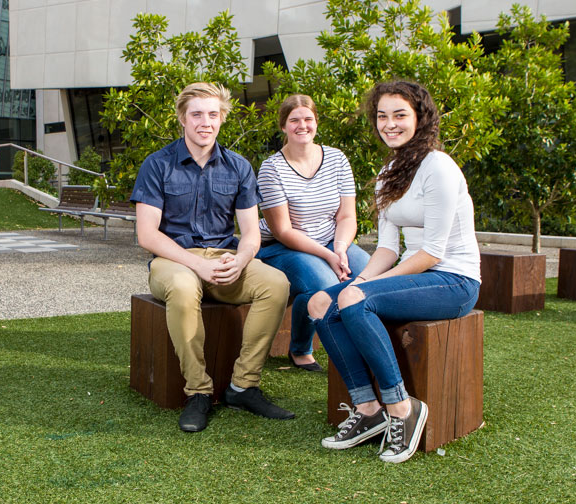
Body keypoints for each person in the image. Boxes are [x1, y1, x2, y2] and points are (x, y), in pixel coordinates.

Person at [307, 80, 481, 463]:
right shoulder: (390, 172)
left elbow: (433, 253)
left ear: (420, 117)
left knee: (354, 298)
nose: (390, 124)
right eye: (382, 116)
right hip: (414, 274)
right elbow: (387, 249)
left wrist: (363, 289)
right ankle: (368, 409)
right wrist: (361, 280)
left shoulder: (439, 168)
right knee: (321, 302)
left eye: (400, 115)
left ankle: (403, 408)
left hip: (454, 280)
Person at [131, 82, 294, 433]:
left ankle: (243, 386)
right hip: (173, 260)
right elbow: (147, 235)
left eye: (213, 114)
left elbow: (251, 233)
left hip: (223, 257)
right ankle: (198, 392)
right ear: (183, 119)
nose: (205, 121)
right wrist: (197, 264)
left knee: (276, 283)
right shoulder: (158, 165)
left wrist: (241, 258)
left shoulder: (238, 167)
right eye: (197, 114)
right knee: (183, 287)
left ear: (222, 119)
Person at [256, 94, 370, 372]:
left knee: (370, 273)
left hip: (331, 240)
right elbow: (282, 230)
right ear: (283, 126)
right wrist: (328, 256)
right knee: (323, 281)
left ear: (316, 122)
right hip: (282, 246)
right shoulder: (271, 169)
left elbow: (346, 216)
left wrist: (341, 248)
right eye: (294, 120)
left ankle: (365, 343)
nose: (302, 125)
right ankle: (300, 349)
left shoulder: (336, 159)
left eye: (308, 119)